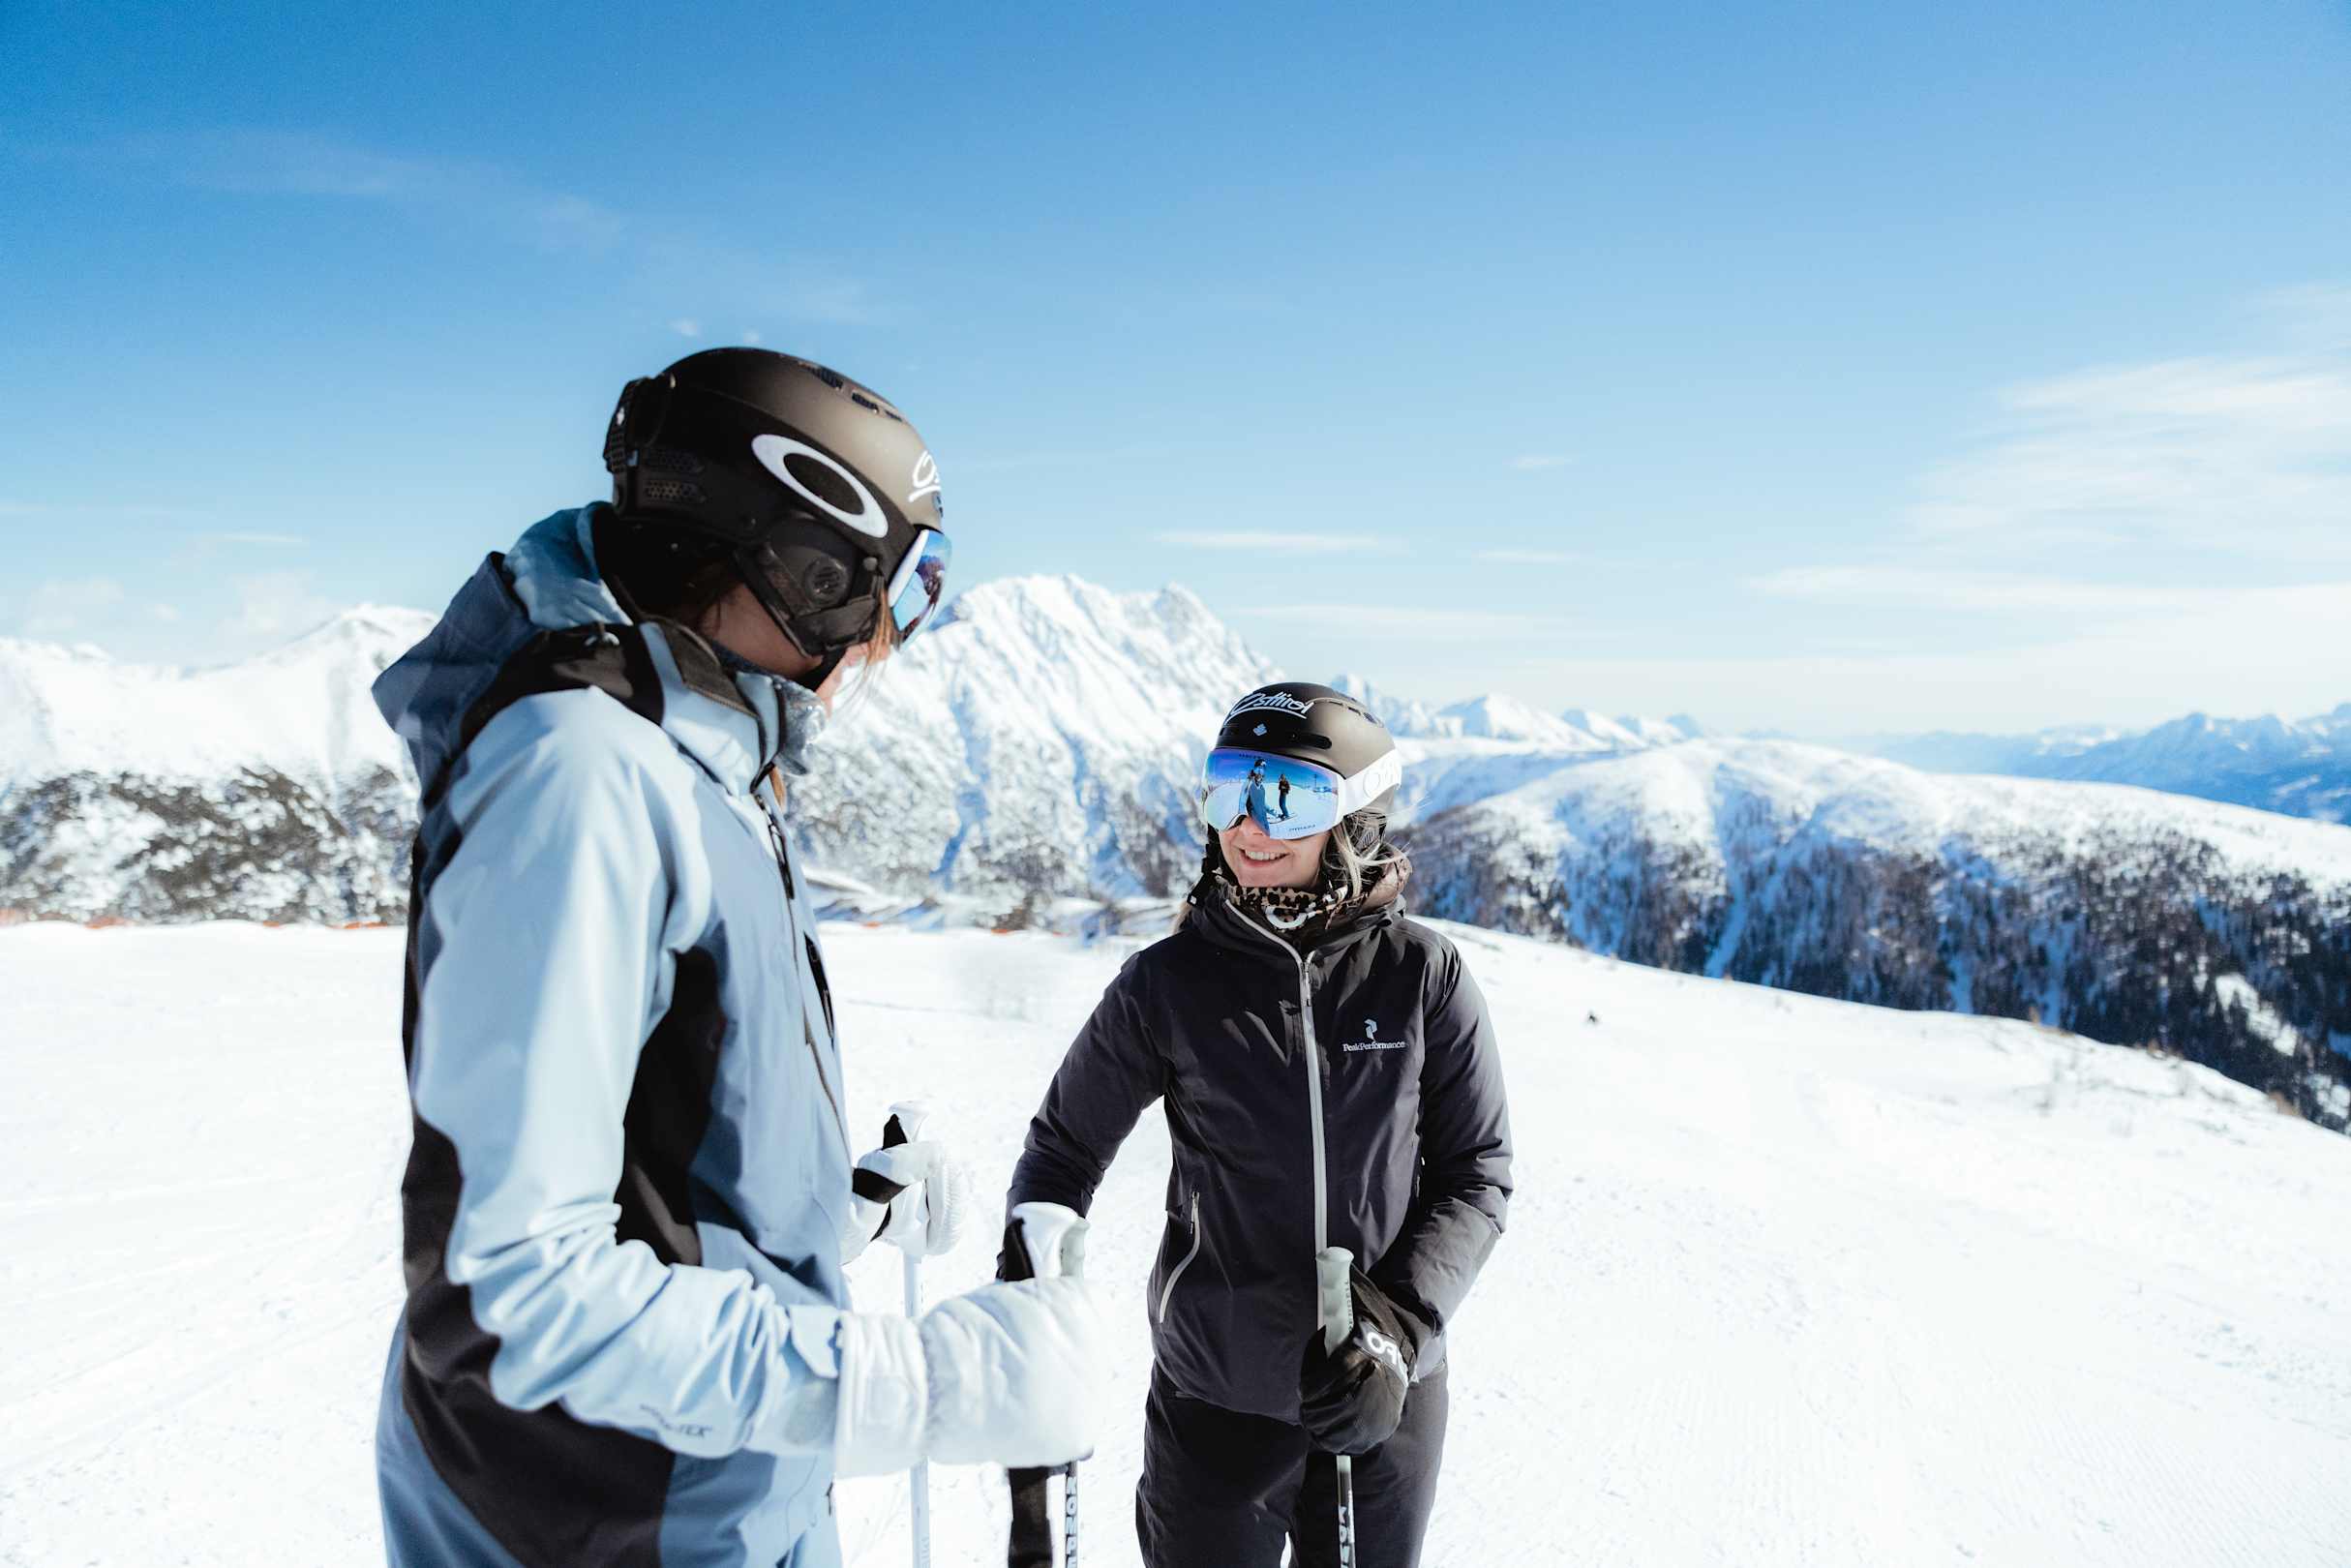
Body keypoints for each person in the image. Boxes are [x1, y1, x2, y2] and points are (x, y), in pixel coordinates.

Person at [371, 347, 1102, 1568]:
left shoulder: (702, 754)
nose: (883, 644)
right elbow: (512, 1297)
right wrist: (920, 1385)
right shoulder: (582, 776)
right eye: (885, 595)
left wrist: (829, 1213)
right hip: (605, 1522)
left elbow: (658, 1145)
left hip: (715, 1491)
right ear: (798, 565)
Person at [1007, 682, 1513, 1568]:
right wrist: (1029, 1288)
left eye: (1286, 796)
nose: (1247, 825)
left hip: (1381, 1396)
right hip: (1216, 1396)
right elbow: (1062, 1152)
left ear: (1355, 821)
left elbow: (1476, 1175)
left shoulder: (1419, 974)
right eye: (1228, 790)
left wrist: (1394, 1334)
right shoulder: (1167, 984)